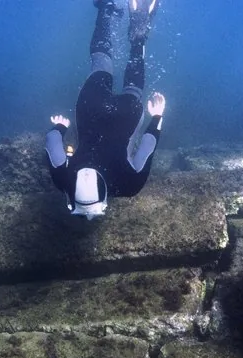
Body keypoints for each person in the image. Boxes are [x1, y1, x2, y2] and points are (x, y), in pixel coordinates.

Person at [44, 0, 166, 220]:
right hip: (91, 109)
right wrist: (59, 127)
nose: (90, 219)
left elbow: (148, 146)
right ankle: (107, 9)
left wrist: (157, 116)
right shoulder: (62, 180)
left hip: (125, 117)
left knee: (133, 89)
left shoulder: (128, 186)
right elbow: (52, 142)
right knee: (101, 62)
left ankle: (138, 37)